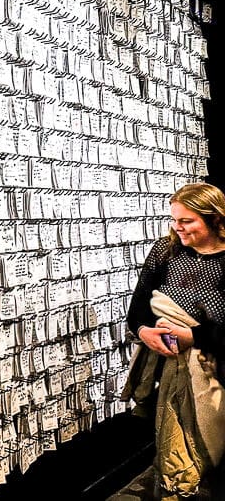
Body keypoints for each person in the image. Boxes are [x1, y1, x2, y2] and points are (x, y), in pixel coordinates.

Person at [125, 182, 225, 500]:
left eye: (186, 221)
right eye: (174, 219)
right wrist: (145, 333)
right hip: (179, 372)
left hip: (218, 369)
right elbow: (138, 311)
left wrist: (194, 336)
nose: (177, 227)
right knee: (179, 459)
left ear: (215, 220)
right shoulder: (166, 252)